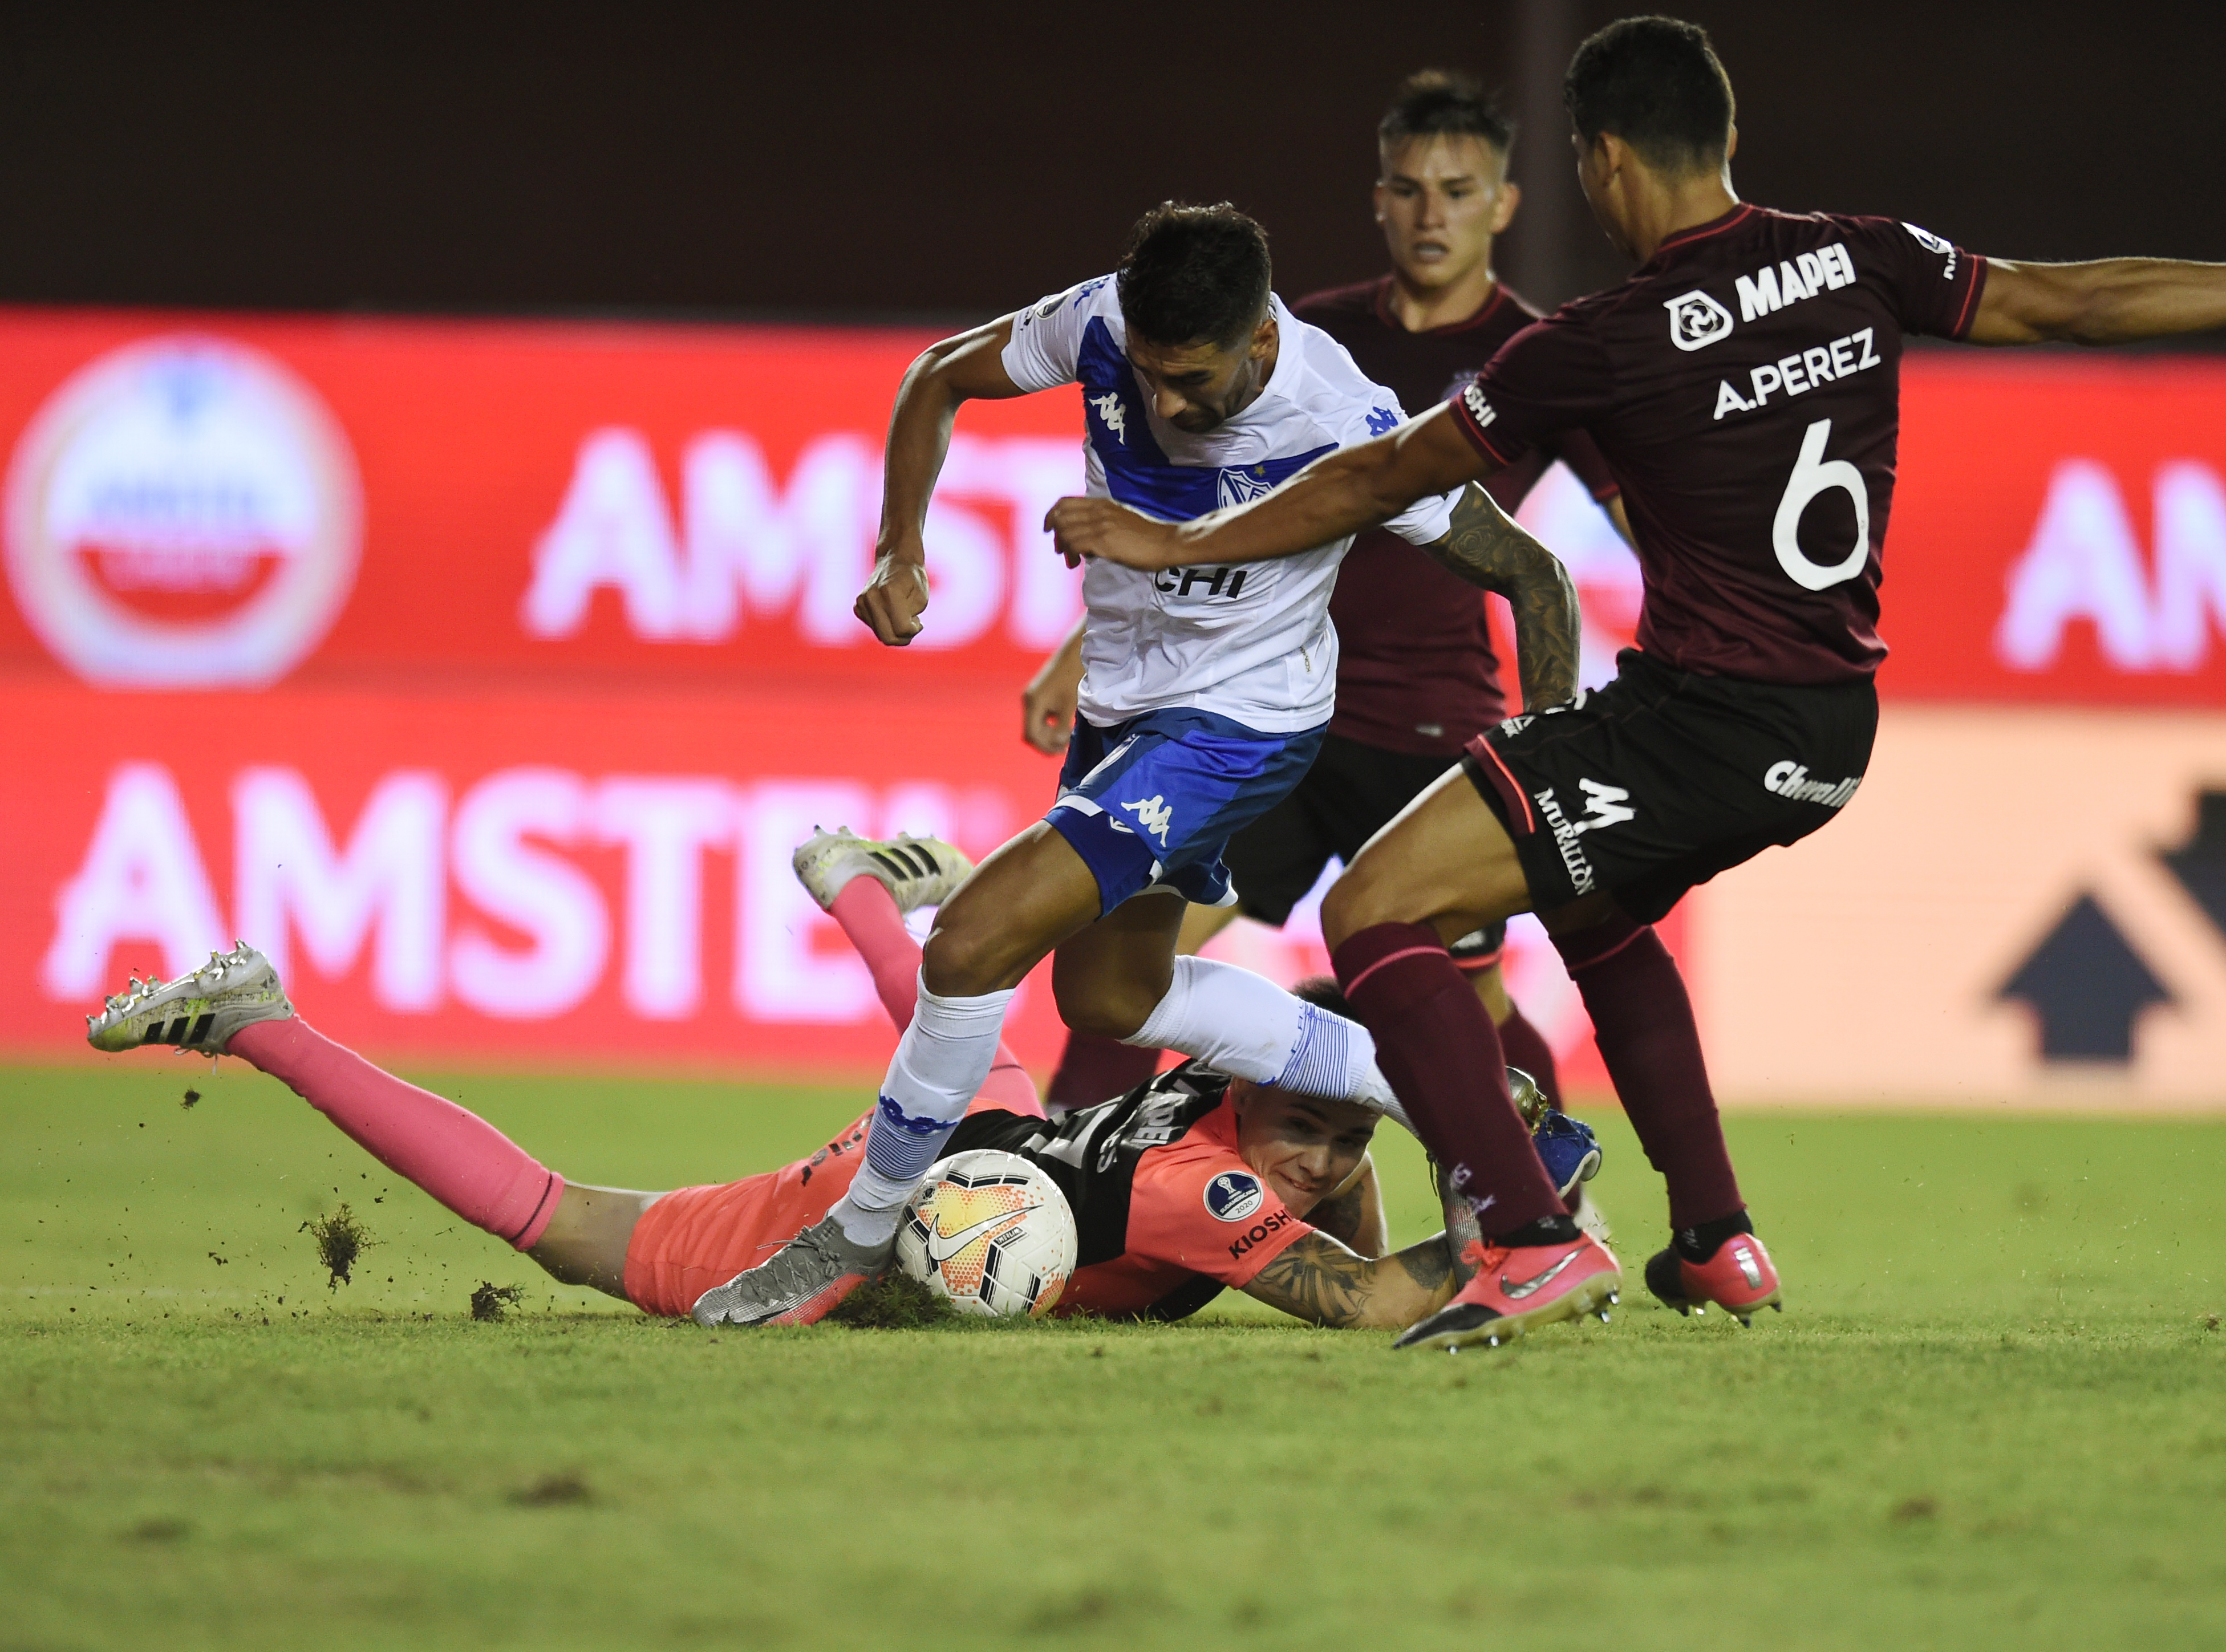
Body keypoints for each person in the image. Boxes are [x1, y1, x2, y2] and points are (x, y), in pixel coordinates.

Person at [1046, 14, 2226, 1351]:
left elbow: (1377, 476)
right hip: (1832, 722)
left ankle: (1530, 1236)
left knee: (1376, 908)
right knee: (1597, 918)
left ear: (1595, 162)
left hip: (1699, 716)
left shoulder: (1595, 338)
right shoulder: (1862, 257)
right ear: (1723, 134)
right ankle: (1714, 1236)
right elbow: (2072, 298)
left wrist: (1177, 540)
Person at [830, 201, 1583, 1321]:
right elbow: (939, 373)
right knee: (1106, 994)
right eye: (1146, 373)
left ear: (1261, 344)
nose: (1161, 403)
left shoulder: (1346, 418)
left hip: (1245, 727)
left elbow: (1534, 574)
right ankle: (1485, 1097)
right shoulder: (1099, 322)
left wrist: (1543, 762)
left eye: (1191, 381)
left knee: (978, 935)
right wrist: (900, 545)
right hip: (1121, 717)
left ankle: (852, 1237)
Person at [79, 832, 1601, 1333]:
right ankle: (258, 1017)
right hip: (859, 1229)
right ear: (1240, 1100)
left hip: (999, 1141)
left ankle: (849, 886)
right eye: (1310, 1120)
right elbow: (1361, 1304)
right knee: (554, 1218)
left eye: (1345, 1134)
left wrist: (1420, 1139)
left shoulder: (1206, 1114)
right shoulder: (1200, 1187)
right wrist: (1515, 1224)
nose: (1329, 1159)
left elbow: (1336, 1205)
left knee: (975, 1042)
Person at [1027, 71, 1629, 1117]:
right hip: (1262, 706)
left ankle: (1545, 1193)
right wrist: (1078, 656)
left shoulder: (1538, 358)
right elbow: (1192, 517)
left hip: (1430, 722)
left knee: (1464, 993)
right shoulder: (1302, 337)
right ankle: (1072, 1181)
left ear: (1503, 204)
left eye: (1456, 188)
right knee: (1127, 959)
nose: (1430, 212)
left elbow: (1631, 534)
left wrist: (1563, 732)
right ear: (1379, 199)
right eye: (1407, 187)